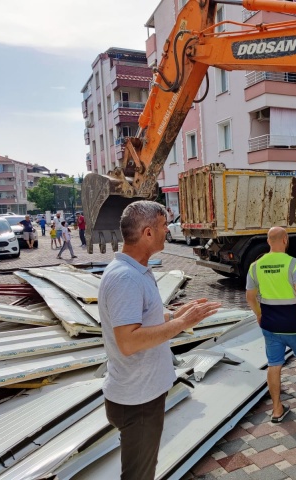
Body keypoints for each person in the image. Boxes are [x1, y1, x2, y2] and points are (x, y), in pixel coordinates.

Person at [99, 200, 221, 480]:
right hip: (137, 401)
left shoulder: (137, 270)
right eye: (164, 225)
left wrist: (173, 315)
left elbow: (140, 319)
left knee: (143, 466)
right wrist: (181, 324)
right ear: (147, 233)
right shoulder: (126, 278)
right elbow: (128, 342)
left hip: (141, 394)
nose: (169, 230)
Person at [246, 227, 296, 423]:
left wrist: (259, 314)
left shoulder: (255, 266)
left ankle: (276, 409)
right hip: (295, 324)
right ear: (285, 240)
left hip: (270, 324)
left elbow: (250, 297)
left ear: (268, 241)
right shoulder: (295, 265)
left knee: (274, 364)